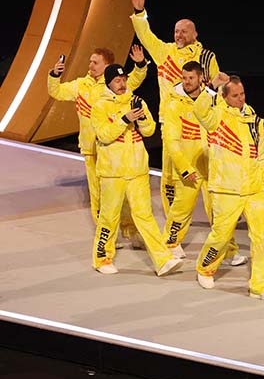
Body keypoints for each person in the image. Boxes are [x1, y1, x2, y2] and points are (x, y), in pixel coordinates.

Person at [129, 0, 222, 218]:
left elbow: (216, 91)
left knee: (209, 174)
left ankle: (219, 224)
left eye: (184, 31)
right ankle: (173, 224)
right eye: (176, 31)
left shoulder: (206, 57)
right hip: (172, 122)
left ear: (195, 34)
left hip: (201, 123)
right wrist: (140, 12)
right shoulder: (164, 52)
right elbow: (146, 36)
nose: (179, 35)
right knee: (170, 176)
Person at [89, 64, 183, 277]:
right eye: (117, 81)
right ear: (109, 83)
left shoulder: (136, 101)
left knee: (145, 215)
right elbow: (104, 135)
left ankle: (163, 260)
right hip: (112, 172)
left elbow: (149, 130)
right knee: (109, 217)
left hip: (137, 169)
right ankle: (102, 258)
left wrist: (141, 119)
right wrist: (124, 119)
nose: (122, 84)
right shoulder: (100, 106)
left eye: (123, 80)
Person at [48, 45, 148, 245]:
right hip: (91, 148)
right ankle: (107, 235)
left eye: (95, 62)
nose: (91, 65)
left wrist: (140, 64)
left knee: (122, 194)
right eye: (90, 61)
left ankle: (129, 230)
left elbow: (135, 79)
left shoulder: (114, 85)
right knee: (97, 194)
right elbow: (56, 92)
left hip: (112, 149)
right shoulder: (80, 85)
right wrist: (54, 75)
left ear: (107, 65)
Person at [193, 72, 264, 300]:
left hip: (254, 188)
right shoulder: (216, 115)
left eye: (243, 94)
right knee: (221, 235)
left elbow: (262, 154)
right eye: (236, 95)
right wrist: (211, 87)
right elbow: (199, 110)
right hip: (226, 189)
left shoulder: (252, 117)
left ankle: (260, 286)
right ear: (225, 96)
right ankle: (204, 268)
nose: (241, 98)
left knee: (263, 237)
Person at [160, 61, 245, 267]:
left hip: (214, 166)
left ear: (200, 78)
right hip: (190, 168)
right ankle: (170, 245)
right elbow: (171, 141)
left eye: (191, 78)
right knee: (181, 210)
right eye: (184, 78)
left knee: (220, 212)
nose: (187, 82)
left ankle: (228, 250)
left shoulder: (214, 100)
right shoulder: (173, 104)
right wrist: (184, 168)